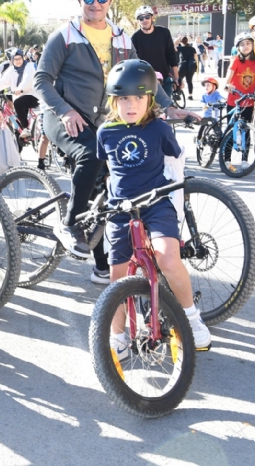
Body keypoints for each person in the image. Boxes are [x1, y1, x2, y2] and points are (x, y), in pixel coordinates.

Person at [35, 0, 194, 286]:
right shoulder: (65, 36)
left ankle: (103, 263)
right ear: (80, 0)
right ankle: (70, 224)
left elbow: (142, 76)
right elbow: (41, 80)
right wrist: (65, 111)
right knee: (90, 157)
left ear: (110, 0)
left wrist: (168, 107)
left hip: (101, 120)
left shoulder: (121, 37)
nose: (95, 3)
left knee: (118, 181)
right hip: (63, 115)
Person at [98, 59, 211, 356]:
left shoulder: (159, 128)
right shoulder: (105, 132)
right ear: (114, 101)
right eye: (124, 98)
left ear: (150, 99)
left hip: (156, 203)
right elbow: (108, 170)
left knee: (167, 258)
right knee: (117, 276)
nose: (131, 105)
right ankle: (118, 336)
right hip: (121, 209)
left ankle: (191, 318)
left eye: (138, 97)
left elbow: (174, 157)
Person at [0, 47, 38, 150]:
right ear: (12, 60)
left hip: (32, 96)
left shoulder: (29, 66)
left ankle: (26, 129)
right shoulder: (11, 70)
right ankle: (18, 150)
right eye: (15, 59)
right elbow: (2, 83)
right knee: (17, 123)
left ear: (23, 58)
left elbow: (28, 79)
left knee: (19, 103)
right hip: (19, 97)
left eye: (20, 58)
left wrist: (20, 89)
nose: (18, 61)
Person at [130, 5, 179, 97]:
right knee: (150, 106)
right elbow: (134, 61)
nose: (144, 20)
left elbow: (171, 55)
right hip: (145, 80)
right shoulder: (135, 38)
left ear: (152, 18)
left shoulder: (164, 32)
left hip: (165, 79)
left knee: (166, 105)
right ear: (138, 21)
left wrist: (176, 77)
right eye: (141, 18)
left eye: (147, 17)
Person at [223, 32, 255, 122]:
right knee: (232, 128)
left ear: (253, 45)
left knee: (246, 127)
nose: (245, 46)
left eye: (248, 43)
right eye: (242, 44)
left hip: (249, 102)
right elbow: (227, 79)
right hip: (234, 101)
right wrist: (227, 85)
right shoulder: (236, 60)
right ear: (238, 48)